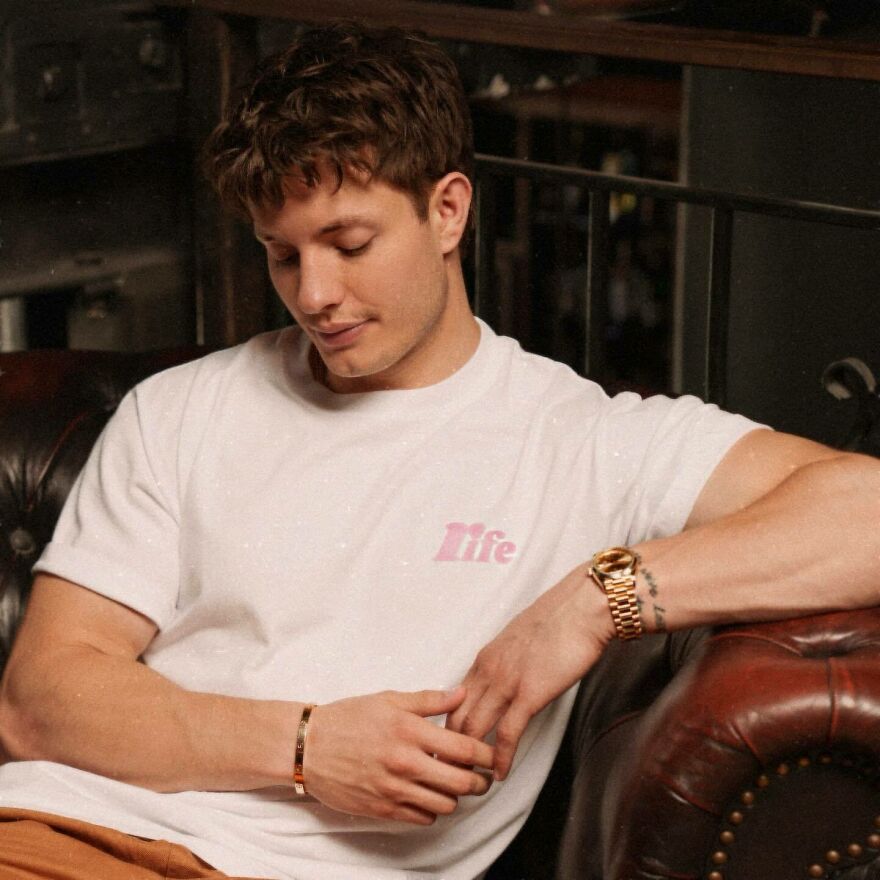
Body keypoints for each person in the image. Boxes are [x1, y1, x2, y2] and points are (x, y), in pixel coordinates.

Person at [0, 19, 878, 880]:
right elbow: (38, 704)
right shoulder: (181, 411)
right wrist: (307, 745)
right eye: (282, 256)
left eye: (350, 245)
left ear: (448, 209)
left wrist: (595, 597)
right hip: (52, 834)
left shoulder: (588, 441)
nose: (315, 295)